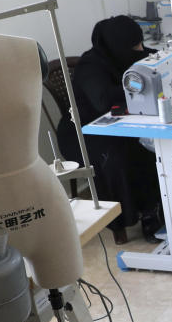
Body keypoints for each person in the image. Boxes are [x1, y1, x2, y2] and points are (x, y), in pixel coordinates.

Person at [57, 15, 165, 245]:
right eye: (134, 45)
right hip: (82, 132)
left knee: (155, 141)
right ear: (118, 46)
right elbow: (103, 100)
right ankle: (131, 217)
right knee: (121, 154)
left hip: (115, 125)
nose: (139, 49)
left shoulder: (123, 55)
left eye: (140, 42)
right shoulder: (90, 66)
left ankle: (161, 205)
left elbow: (152, 58)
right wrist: (137, 83)